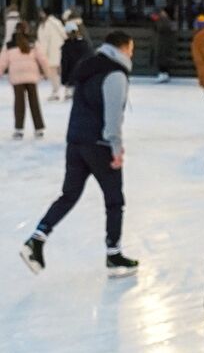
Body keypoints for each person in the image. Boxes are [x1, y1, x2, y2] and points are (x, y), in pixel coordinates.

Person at [20, 31, 138, 277]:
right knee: (114, 200)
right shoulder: (115, 73)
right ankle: (114, 254)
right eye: (131, 48)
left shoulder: (90, 66)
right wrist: (116, 148)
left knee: (69, 195)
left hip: (76, 141)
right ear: (124, 47)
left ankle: (37, 238)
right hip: (100, 144)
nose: (132, 53)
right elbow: (113, 116)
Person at [1, 21, 48, 137]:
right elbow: (42, 58)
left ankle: (19, 129)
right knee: (34, 102)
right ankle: (39, 128)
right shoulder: (33, 42)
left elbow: (2, 62)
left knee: (19, 103)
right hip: (31, 74)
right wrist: (46, 72)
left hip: (16, 75)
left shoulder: (9, 44)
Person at [36, 7, 65, 100]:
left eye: (42, 12)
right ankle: (56, 90)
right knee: (54, 73)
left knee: (54, 73)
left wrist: (42, 54)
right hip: (56, 51)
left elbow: (45, 41)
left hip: (53, 51)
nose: (40, 14)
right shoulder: (53, 23)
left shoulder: (50, 24)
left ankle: (56, 91)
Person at [59, 20, 92, 100]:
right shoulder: (85, 44)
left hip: (71, 78)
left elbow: (64, 63)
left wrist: (63, 79)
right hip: (83, 78)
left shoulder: (66, 46)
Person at [152, 6, 176, 83]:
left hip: (163, 43)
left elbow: (161, 28)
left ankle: (163, 74)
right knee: (163, 58)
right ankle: (165, 74)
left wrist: (156, 22)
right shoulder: (165, 19)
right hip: (163, 42)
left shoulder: (163, 20)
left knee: (162, 58)